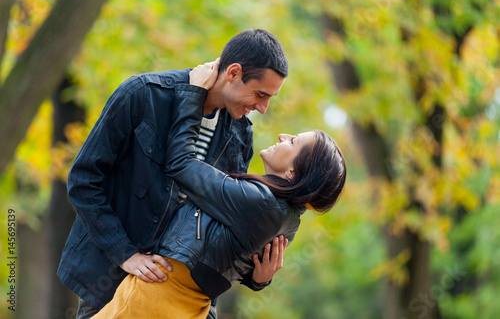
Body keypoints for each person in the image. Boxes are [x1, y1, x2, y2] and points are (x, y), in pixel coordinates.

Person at [57, 29, 289, 319]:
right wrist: (125, 255)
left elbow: (225, 228)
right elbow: (83, 181)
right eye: (260, 94)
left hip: (186, 301)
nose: (263, 108)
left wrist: (257, 276)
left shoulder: (241, 136)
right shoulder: (143, 94)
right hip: (109, 284)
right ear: (233, 73)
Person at [93, 60, 347, 318]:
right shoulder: (288, 218)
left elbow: (181, 164)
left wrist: (193, 94)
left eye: (293, 142)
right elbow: (226, 256)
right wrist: (258, 281)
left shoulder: (261, 202)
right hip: (186, 305)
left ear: (293, 172)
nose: (283, 136)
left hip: (157, 296)